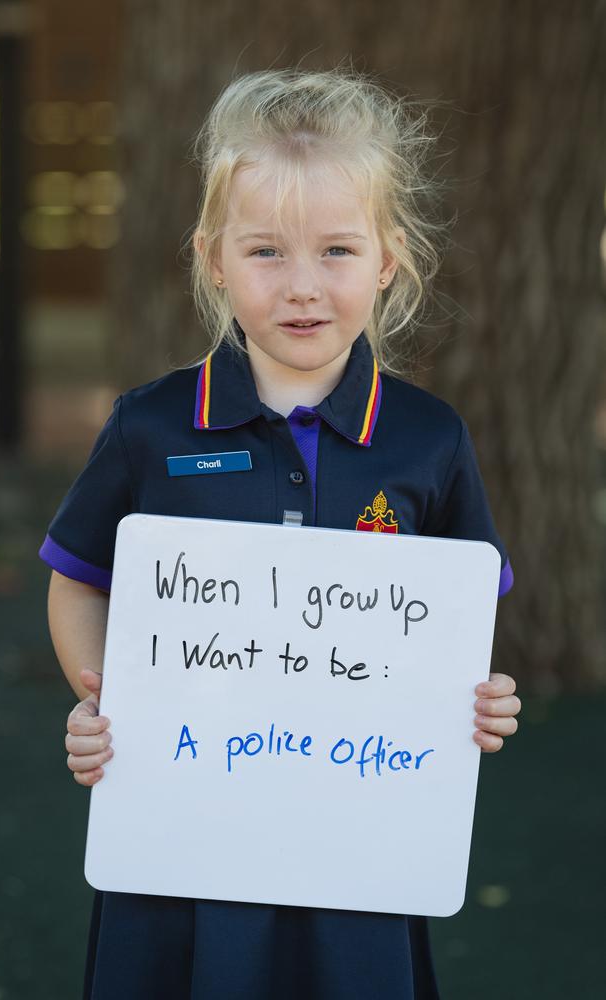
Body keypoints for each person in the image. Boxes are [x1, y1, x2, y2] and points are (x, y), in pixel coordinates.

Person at [40, 66, 521, 1000]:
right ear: (214, 258)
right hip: (182, 837)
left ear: (388, 259)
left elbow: (459, 614)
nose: (303, 287)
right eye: (266, 252)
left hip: (360, 843)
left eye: (337, 250)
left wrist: (478, 701)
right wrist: (107, 705)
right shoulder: (150, 426)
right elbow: (78, 579)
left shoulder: (429, 439)